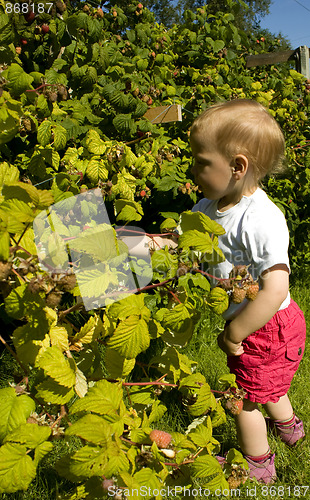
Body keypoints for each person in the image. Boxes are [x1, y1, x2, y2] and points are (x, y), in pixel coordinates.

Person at [189, 99, 306, 484]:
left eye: (201, 161)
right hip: (261, 325)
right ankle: (291, 429)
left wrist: (235, 332)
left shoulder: (260, 218)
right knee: (267, 382)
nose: (192, 169)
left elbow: (274, 290)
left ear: (237, 167)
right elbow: (182, 241)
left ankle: (258, 465)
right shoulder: (208, 205)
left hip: (266, 325)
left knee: (245, 397)